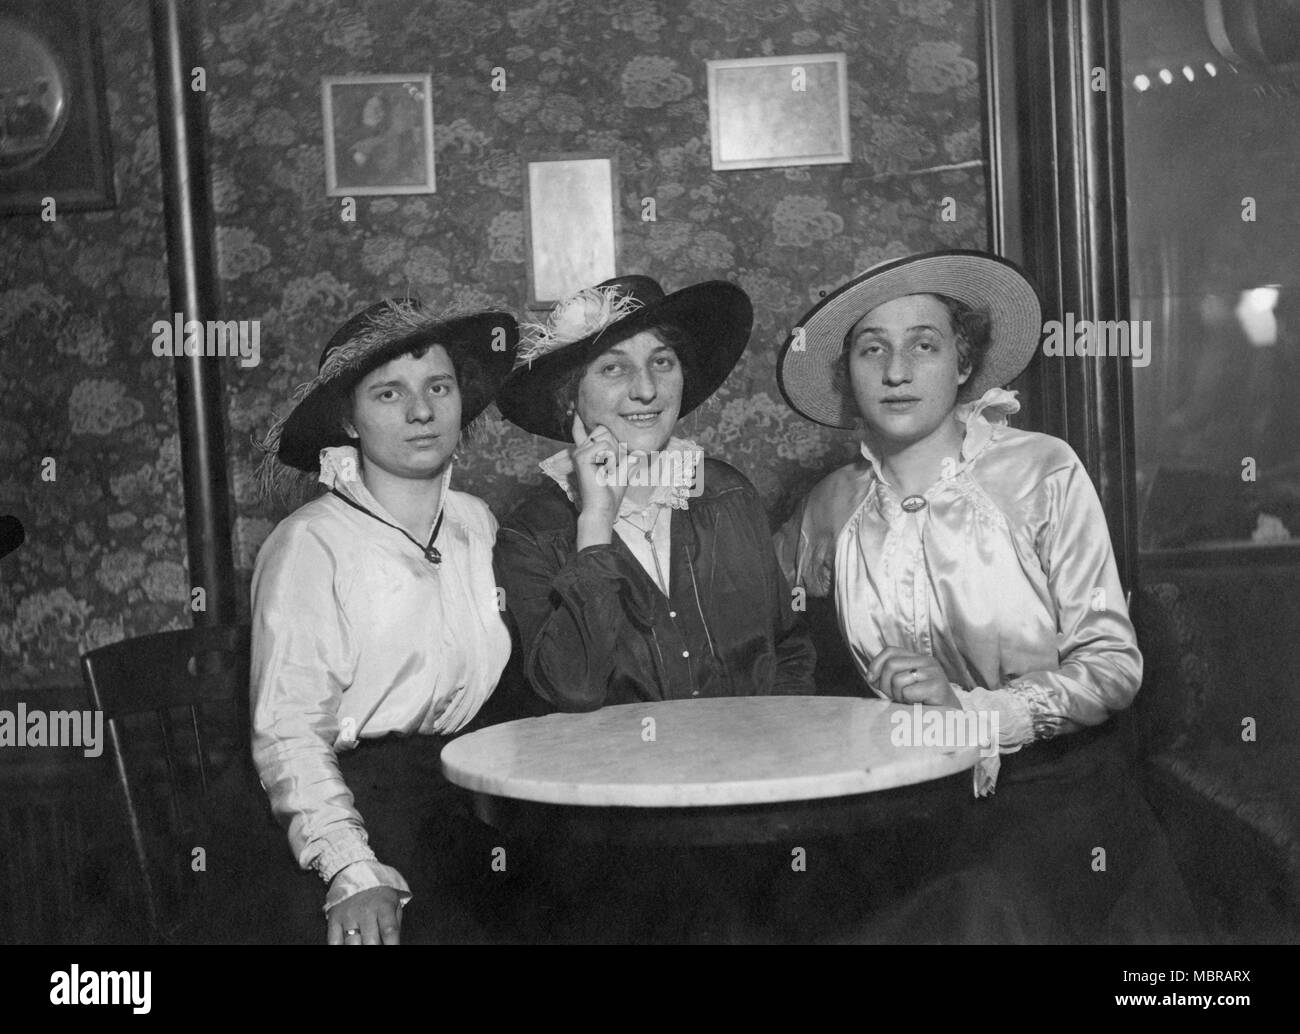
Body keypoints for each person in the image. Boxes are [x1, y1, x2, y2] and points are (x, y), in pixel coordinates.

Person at [774, 250, 1200, 943]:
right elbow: (744, 618)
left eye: (924, 345)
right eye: (871, 348)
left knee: (979, 910)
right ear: (847, 375)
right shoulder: (828, 506)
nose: (897, 371)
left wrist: (970, 713)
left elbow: (1114, 666)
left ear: (964, 363)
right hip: (905, 805)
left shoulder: (1041, 471)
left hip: (1057, 798)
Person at [247, 298, 518, 944]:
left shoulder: (478, 525)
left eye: (438, 388)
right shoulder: (310, 543)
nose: (421, 412)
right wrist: (351, 868)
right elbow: (287, 732)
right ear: (349, 417)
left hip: (462, 804)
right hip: (348, 809)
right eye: (389, 393)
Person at [493, 275, 815, 711]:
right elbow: (574, 688)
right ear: (570, 397)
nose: (646, 390)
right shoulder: (531, 533)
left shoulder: (727, 493)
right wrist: (595, 524)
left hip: (748, 769)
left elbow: (788, 650)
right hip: (618, 775)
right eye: (613, 367)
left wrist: (775, 748)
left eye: (662, 362)